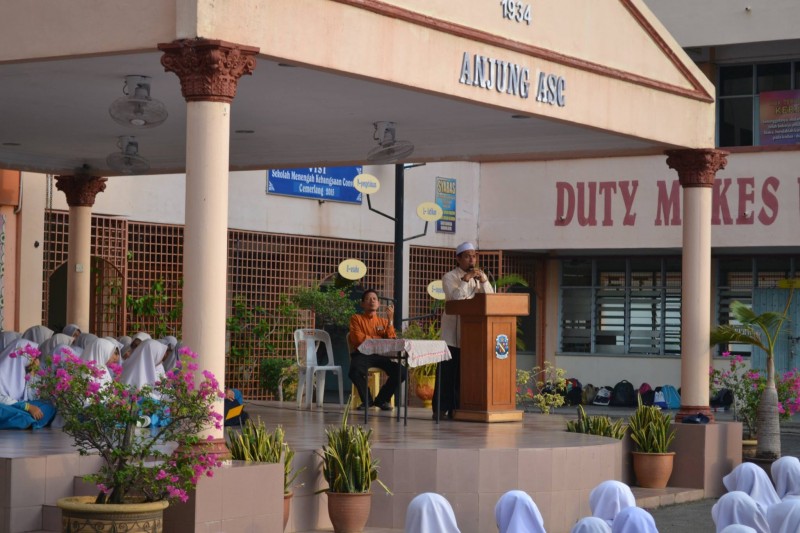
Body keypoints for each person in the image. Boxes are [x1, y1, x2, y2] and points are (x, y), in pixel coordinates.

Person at [435, 241, 494, 419]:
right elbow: (455, 300)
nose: (472, 260)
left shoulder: (480, 277)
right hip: (452, 335)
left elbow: (491, 300)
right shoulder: (449, 277)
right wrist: (465, 279)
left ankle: (459, 409)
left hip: (471, 335)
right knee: (447, 373)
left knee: (463, 374)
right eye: (468, 256)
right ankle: (440, 409)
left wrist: (484, 281)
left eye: (474, 256)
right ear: (458, 259)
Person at [347, 289, 405, 411]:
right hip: (362, 354)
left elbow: (391, 341)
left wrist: (390, 320)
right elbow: (358, 338)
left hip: (380, 355)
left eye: (374, 299)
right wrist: (379, 339)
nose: (372, 301)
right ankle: (367, 401)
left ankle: (382, 400)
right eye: (368, 299)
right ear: (362, 304)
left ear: (378, 304)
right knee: (354, 371)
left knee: (402, 371)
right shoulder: (356, 318)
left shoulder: (384, 322)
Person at [0, 339, 57, 429]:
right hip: (7, 406)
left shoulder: (20, 369)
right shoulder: (2, 370)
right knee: (4, 410)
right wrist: (28, 407)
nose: (35, 359)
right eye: (33, 356)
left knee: (49, 405)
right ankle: (29, 420)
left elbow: (31, 396)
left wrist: (33, 373)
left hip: (19, 406)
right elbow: (2, 399)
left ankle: (27, 420)